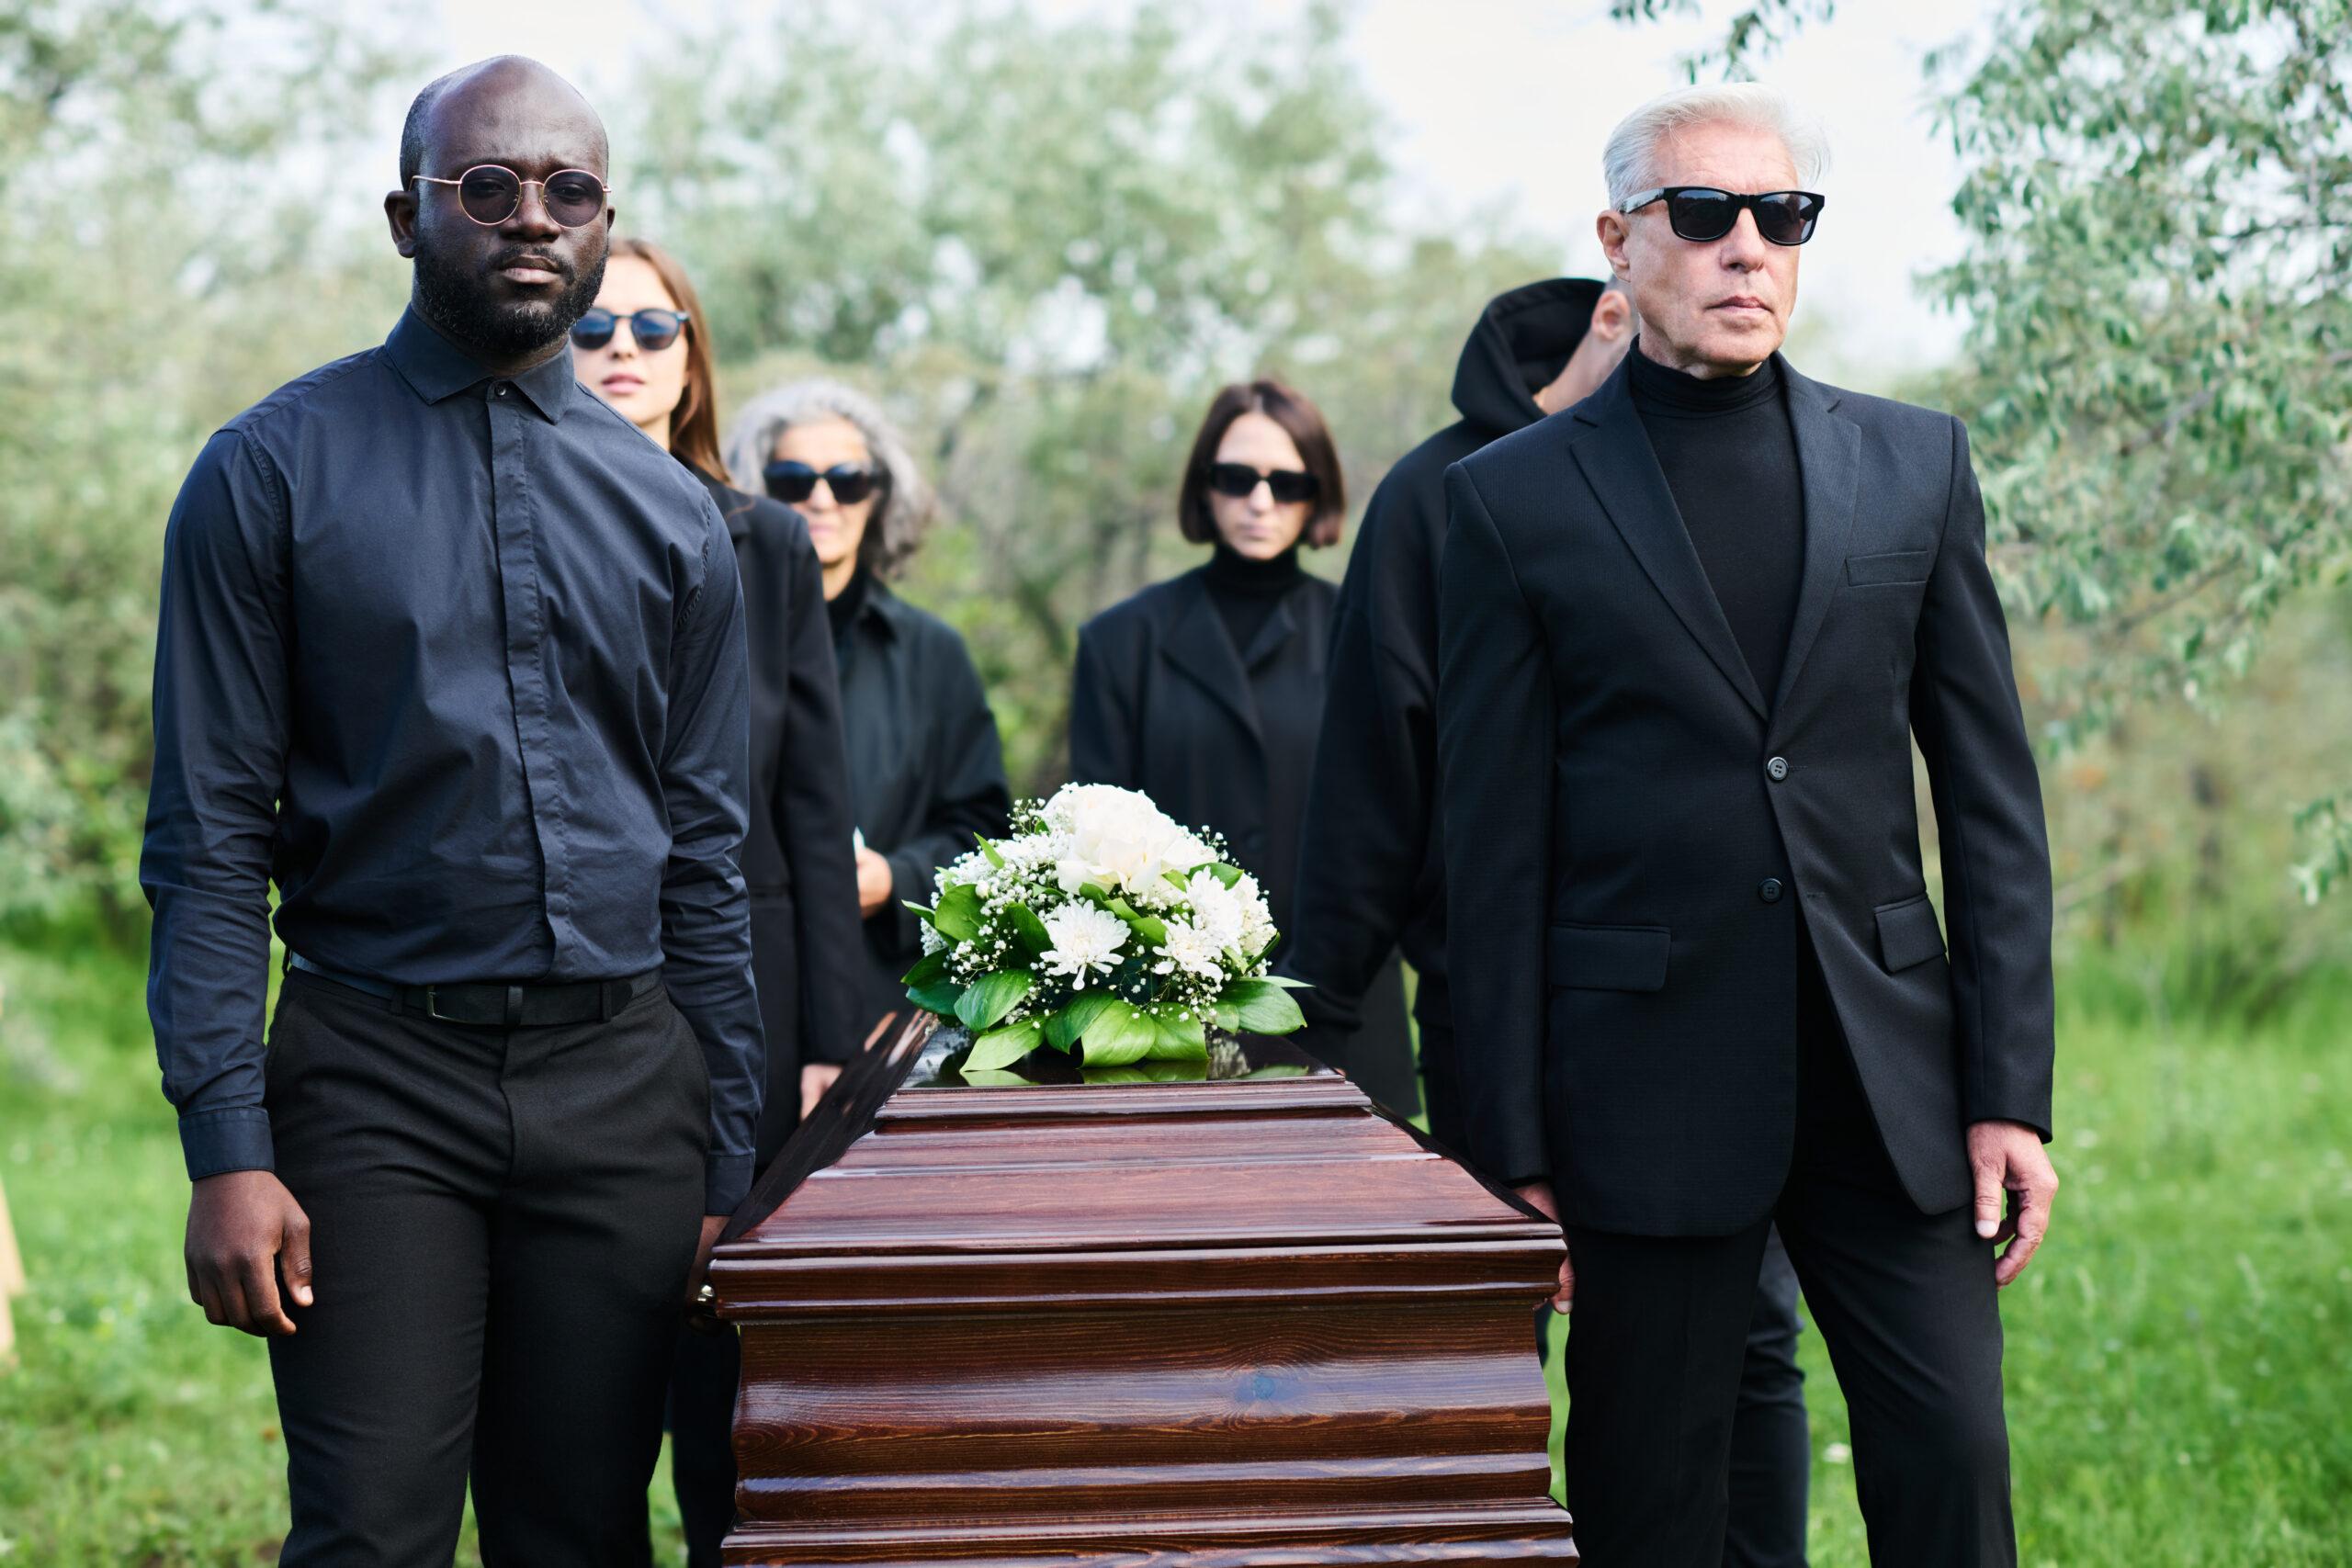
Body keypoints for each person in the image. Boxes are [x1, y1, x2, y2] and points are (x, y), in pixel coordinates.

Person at [144, 58, 763, 1565]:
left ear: (606, 220)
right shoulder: (267, 474)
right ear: (406, 215)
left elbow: (707, 859)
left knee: (580, 1533)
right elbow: (209, 839)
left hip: (625, 1092)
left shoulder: (679, 519)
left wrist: (729, 1170)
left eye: (567, 190)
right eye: (486, 187)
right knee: (372, 1532)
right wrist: (228, 1144)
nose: (530, 218)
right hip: (372, 1084)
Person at [1438, 84, 2060, 1567]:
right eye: (1703, 215)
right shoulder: (1508, 504)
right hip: (1642, 1090)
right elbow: (1492, 845)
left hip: (1890, 1078)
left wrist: (2010, 1088)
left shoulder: (1913, 464)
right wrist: (1504, 1135)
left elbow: (1990, 803)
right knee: (1656, 1494)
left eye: (1780, 216)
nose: (1745, 248)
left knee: (1956, 1457)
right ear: (1620, 240)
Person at [1283, 276, 1812, 1568]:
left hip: (1711, 1005)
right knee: (1492, 1333)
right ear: (1615, 312)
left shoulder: (1717, 467)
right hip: (1500, 1008)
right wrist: (1306, 1015)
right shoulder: (1442, 494)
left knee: (1744, 1341)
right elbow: (1374, 771)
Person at [569, 239, 867, 1565]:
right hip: (571, 1019)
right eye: (590, 324)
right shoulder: (502, 528)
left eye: (653, 322)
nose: (621, 346)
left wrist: (826, 1043)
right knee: (581, 1407)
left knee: (732, 1400)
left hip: (742, 1014)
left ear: (693, 355)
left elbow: (810, 807)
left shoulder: (764, 541)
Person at [1068, 379, 1415, 1112]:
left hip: (1341, 1010)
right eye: (1237, 478)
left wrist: (1321, 975)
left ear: (1318, 492)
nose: (1261, 501)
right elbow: (1094, 851)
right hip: (1162, 1016)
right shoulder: (1118, 643)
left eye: (1287, 482)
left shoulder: (1371, 634)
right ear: (1205, 487)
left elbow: (1396, 829)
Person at [727, 381, 1012, 1050]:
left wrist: (898, 879)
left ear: (880, 496)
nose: (821, 498)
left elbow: (986, 833)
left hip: (893, 1006)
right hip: (741, 998)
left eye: (848, 479)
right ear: (755, 489)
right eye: (792, 478)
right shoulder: (713, 635)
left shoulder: (934, 653)